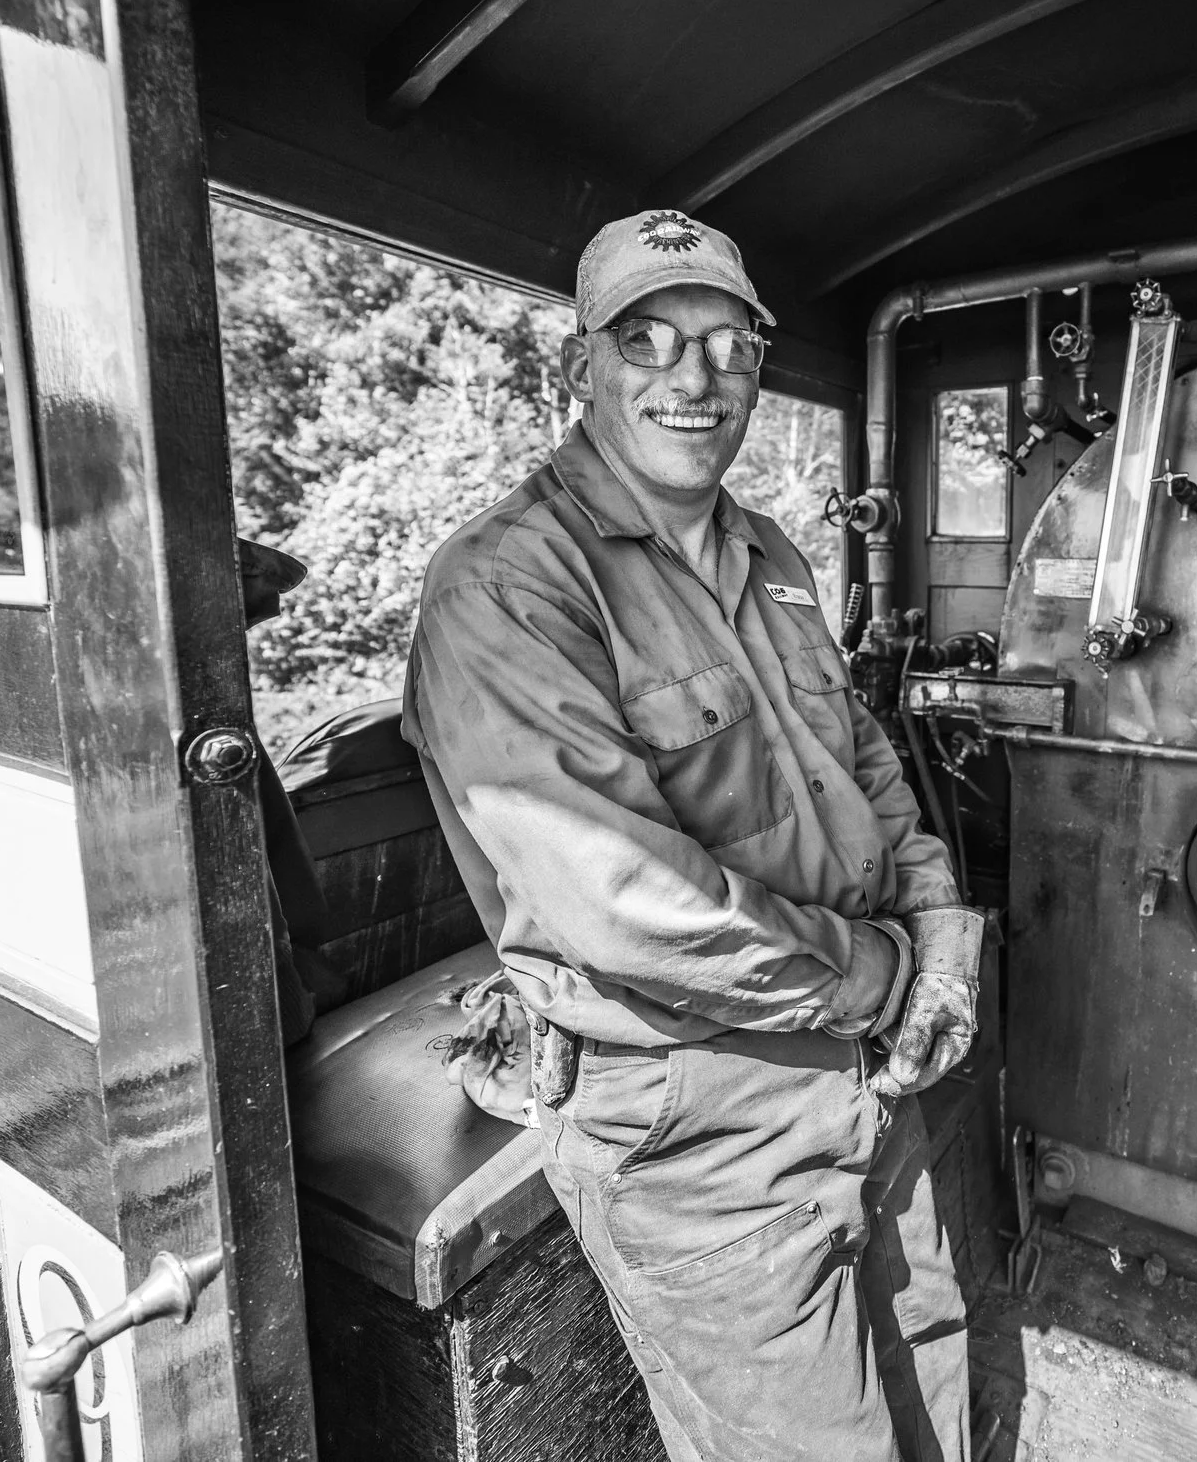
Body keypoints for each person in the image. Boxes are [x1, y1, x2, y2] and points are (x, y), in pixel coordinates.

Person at [402, 209, 979, 1462]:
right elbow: (624, 901)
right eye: (648, 338)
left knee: (934, 1362)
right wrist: (887, 977)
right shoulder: (509, 582)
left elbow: (864, 759)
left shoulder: (771, 553)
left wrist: (936, 914)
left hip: (869, 1068)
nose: (694, 375)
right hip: (699, 1117)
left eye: (728, 343)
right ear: (582, 366)